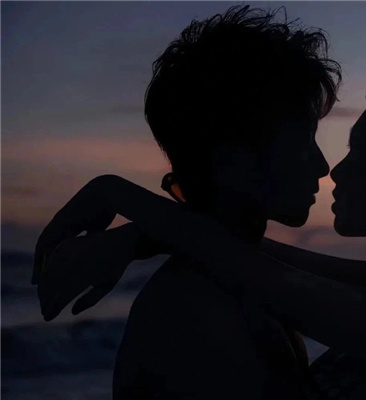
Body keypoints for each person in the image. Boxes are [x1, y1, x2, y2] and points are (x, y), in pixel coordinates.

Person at [33, 5, 342, 400]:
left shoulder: (230, 283)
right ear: (233, 161)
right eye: (303, 143)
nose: (322, 165)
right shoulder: (201, 313)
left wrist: (143, 231)